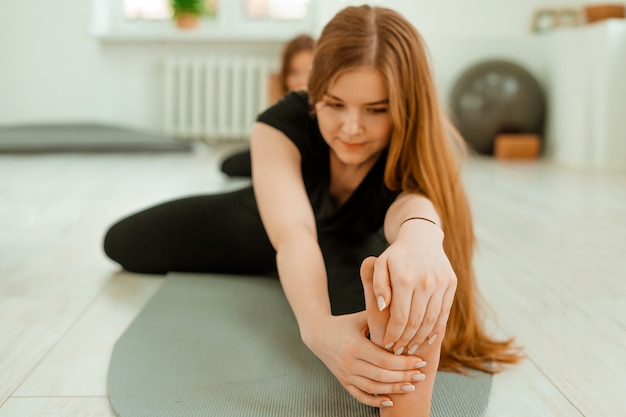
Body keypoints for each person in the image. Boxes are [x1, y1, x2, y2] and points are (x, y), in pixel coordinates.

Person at [104, 5, 522, 416]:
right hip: (270, 225)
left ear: (406, 107)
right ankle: (250, 175)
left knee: (386, 291)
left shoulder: (418, 149)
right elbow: (293, 235)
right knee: (123, 242)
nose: (352, 127)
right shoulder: (282, 121)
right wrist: (318, 328)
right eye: (334, 104)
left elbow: (414, 206)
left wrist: (424, 239)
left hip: (348, 248)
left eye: (376, 110)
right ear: (313, 94)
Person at [220, 34, 315, 177]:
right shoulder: (277, 84)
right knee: (229, 165)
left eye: (308, 72)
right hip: (281, 149)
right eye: (294, 72)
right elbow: (274, 129)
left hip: (306, 156)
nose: (302, 81)